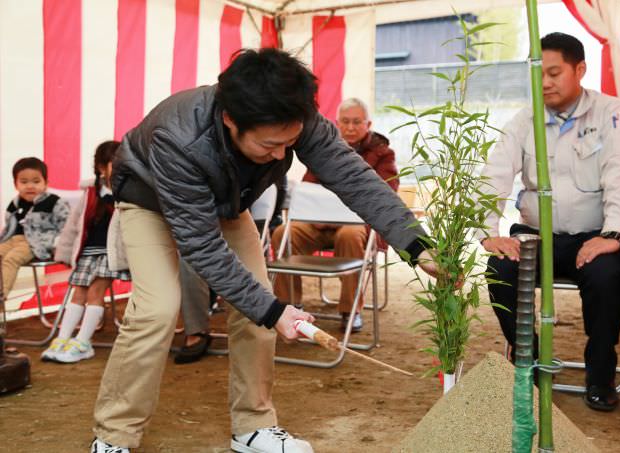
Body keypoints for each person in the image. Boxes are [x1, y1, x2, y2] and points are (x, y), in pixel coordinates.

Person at [90, 48, 435, 453]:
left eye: (288, 144)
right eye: (271, 145)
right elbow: (200, 243)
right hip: (150, 201)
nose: (280, 155)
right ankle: (113, 436)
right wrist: (274, 311)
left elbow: (354, 178)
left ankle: (253, 426)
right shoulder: (178, 135)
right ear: (230, 119)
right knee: (157, 308)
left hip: (225, 201)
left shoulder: (295, 117)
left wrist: (417, 244)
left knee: (256, 302)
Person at [478, 33, 620, 412]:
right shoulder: (524, 120)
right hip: (538, 238)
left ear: (580, 69)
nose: (545, 83)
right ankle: (530, 365)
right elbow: (494, 176)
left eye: (554, 73)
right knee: (499, 271)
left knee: (605, 280)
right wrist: (489, 234)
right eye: (539, 74)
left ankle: (600, 376)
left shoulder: (611, 113)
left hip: (596, 237)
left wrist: (613, 234)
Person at [271, 97, 399, 332]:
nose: (350, 127)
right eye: (345, 122)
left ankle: (350, 311)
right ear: (337, 123)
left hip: (358, 226)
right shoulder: (324, 149)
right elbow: (309, 189)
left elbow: (386, 194)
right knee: (282, 233)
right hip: (320, 224)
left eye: (357, 122)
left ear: (368, 124)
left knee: (349, 235)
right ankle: (290, 305)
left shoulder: (383, 154)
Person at [174, 175, 288, 365]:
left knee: (248, 273)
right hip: (198, 219)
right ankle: (196, 330)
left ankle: (252, 344)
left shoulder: (268, 164)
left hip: (237, 215)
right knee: (188, 259)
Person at [40, 141, 131, 364]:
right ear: (101, 167)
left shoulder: (128, 192)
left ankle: (83, 342)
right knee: (77, 293)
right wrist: (65, 251)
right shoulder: (90, 193)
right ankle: (63, 339)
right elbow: (74, 224)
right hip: (88, 252)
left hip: (111, 253)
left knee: (95, 293)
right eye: (115, 163)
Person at [0, 157, 70, 295]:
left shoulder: (53, 201)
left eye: (36, 181)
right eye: (24, 182)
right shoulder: (14, 204)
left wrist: (58, 246)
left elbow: (67, 225)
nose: (30, 186)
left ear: (45, 183)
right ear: (15, 184)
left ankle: (1, 295)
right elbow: (9, 227)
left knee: (11, 259)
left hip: (36, 243)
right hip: (13, 240)